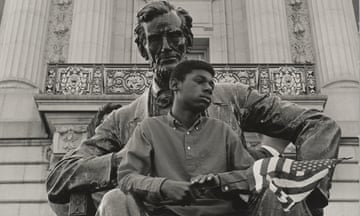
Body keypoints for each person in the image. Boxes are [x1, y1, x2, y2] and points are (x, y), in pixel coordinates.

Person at [46, 1, 341, 216]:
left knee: (276, 193)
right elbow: (60, 176)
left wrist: (308, 191)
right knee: (114, 201)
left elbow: (319, 124)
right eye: (154, 39)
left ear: (187, 41)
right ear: (142, 49)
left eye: (173, 36)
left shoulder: (234, 98)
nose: (166, 47)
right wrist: (123, 160)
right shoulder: (123, 120)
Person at [103, 60, 254, 216]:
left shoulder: (223, 130)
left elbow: (253, 175)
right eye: (200, 81)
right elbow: (127, 177)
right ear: (175, 85)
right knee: (114, 198)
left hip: (222, 212)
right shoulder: (149, 128)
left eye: (211, 85)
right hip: (167, 212)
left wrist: (220, 180)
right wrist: (164, 186)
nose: (209, 88)